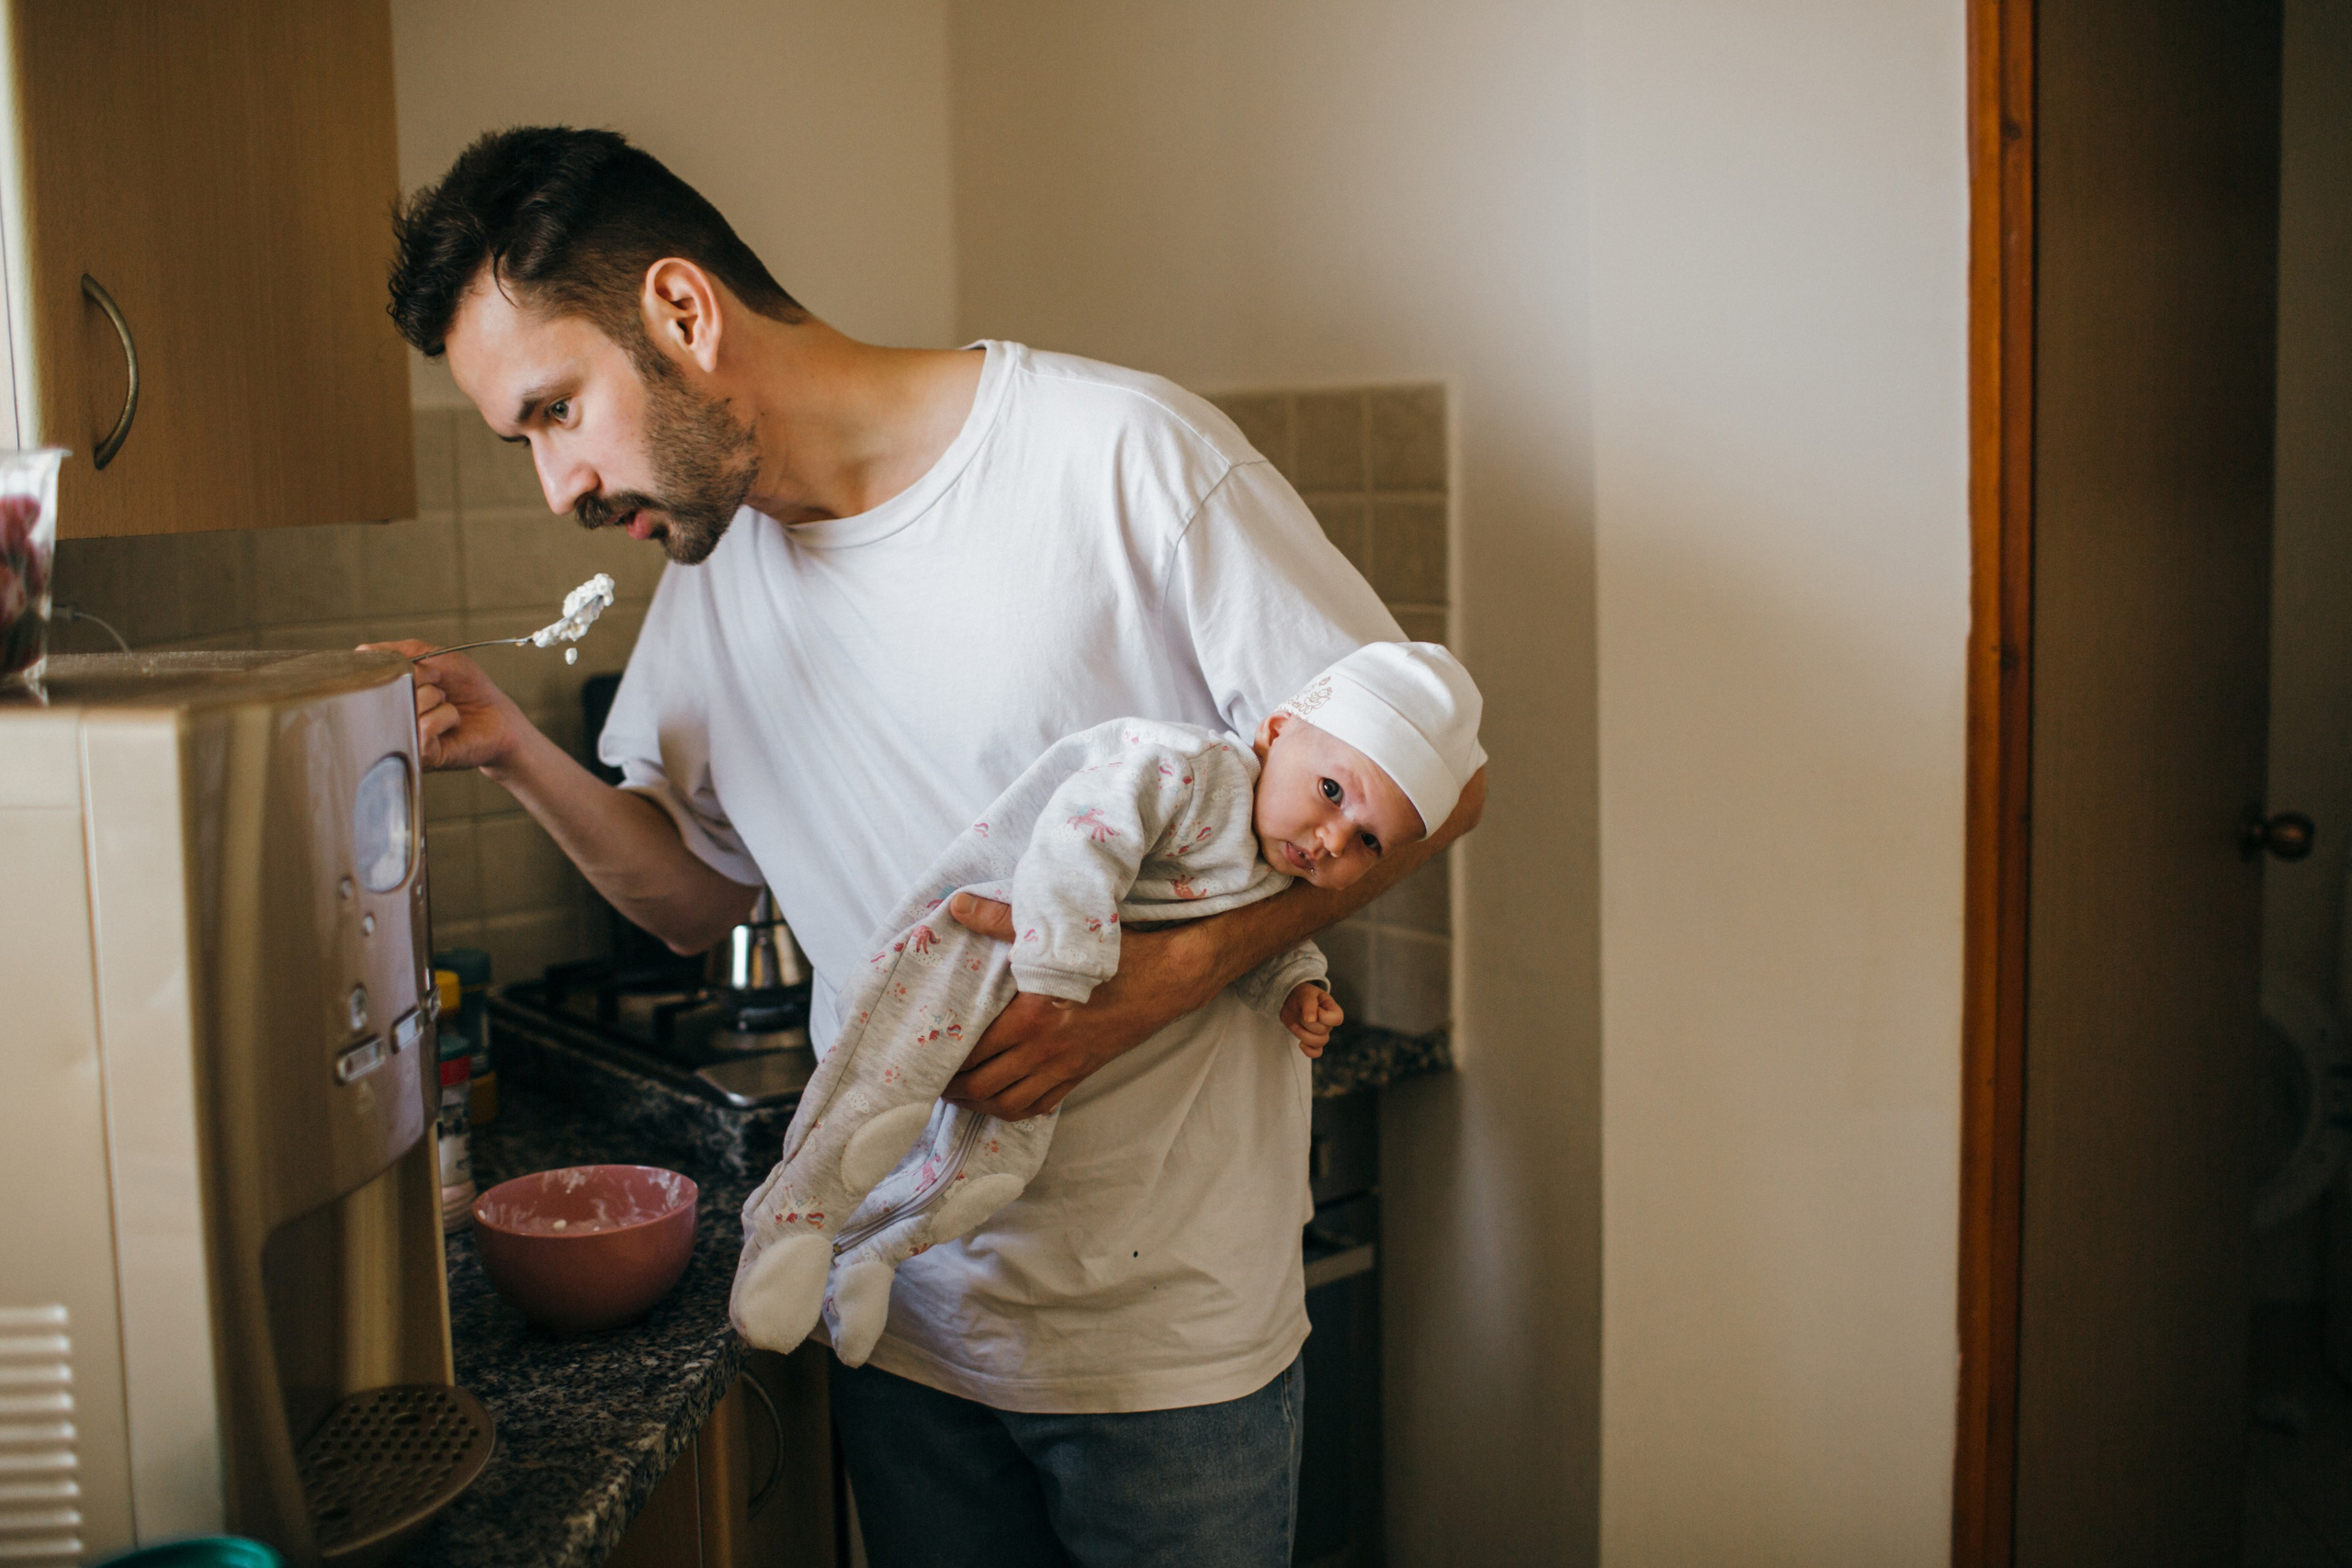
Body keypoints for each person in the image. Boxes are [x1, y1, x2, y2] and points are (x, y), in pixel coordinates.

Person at [375, 126, 1485, 1568]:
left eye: (554, 410)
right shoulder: (711, 579)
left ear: (682, 312)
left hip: (1163, 1342)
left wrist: (1169, 973)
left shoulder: (1121, 458)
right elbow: (695, 896)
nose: (556, 484)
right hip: (896, 1318)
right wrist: (511, 751)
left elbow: (1439, 785)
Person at [734, 641, 1485, 1370]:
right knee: (876, 1100)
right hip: (971, 954)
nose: (1331, 841)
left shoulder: (1278, 872)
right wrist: (1063, 978)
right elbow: (1078, 837)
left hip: (1054, 1008)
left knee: (995, 1164)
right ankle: (785, 1228)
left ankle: (873, 1249)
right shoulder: (1190, 773)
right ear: (1278, 731)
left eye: (1367, 842)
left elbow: (1260, 943)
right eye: (1331, 792)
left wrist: (1296, 989)